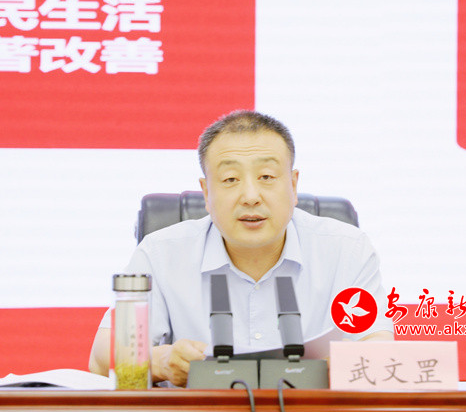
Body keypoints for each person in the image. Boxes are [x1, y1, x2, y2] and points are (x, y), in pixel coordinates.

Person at [89, 110, 393, 386]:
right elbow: (103, 356)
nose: (250, 196)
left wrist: (347, 363)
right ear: (206, 192)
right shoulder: (161, 253)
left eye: (266, 177)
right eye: (230, 179)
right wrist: (162, 361)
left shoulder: (347, 250)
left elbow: (378, 342)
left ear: (293, 185)